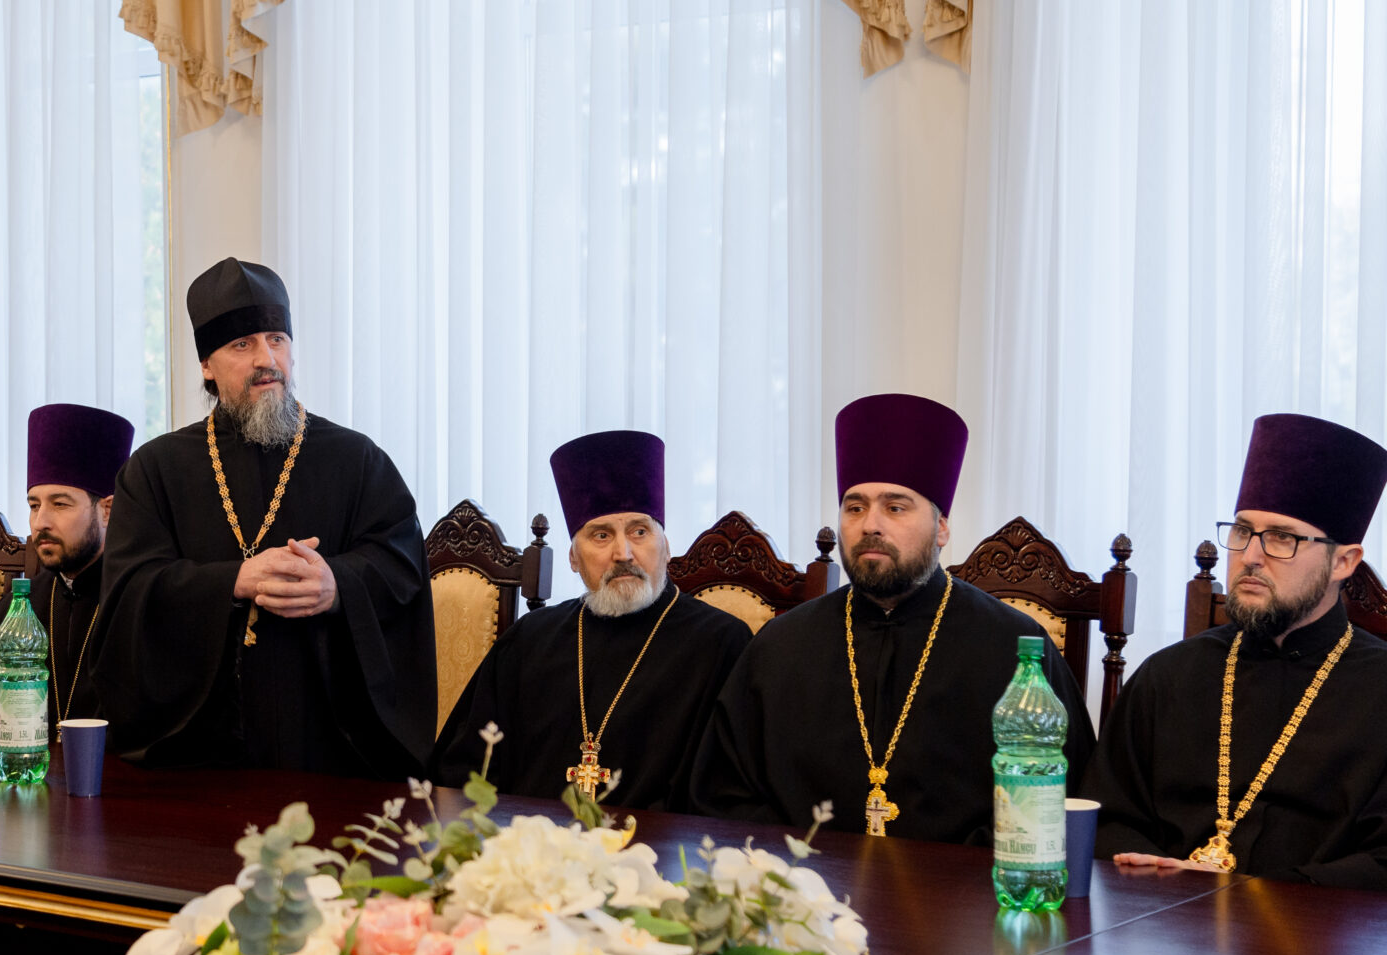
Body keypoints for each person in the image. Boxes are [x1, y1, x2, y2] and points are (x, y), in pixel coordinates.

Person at [688, 393, 1092, 842]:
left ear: (942, 528)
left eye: (895, 507)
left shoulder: (1014, 648)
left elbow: (1055, 805)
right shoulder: (779, 647)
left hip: (962, 885)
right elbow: (725, 797)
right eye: (855, 507)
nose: (870, 525)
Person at [94, 257, 436, 776]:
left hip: (329, 752)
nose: (266, 359)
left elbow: (402, 567)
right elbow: (128, 593)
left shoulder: (357, 459)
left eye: (277, 339)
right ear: (206, 365)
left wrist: (338, 585)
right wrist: (232, 582)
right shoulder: (154, 470)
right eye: (242, 344)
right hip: (197, 758)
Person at [1086, 413, 1387, 889]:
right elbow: (1106, 817)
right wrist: (1166, 877)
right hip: (1163, 923)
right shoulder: (1168, 676)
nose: (1250, 556)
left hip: (1312, 930)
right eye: (1243, 531)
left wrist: (1254, 895)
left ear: (1344, 562)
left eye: (1283, 538)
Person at [433, 430, 750, 808]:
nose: (623, 553)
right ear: (573, 557)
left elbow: (727, 797)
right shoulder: (529, 640)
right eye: (601, 535)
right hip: (529, 839)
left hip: (657, 843)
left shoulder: (722, 644)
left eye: (640, 531)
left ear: (666, 548)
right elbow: (463, 771)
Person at [0, 404, 134, 735]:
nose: (40, 523)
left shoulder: (138, 604)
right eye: (34, 505)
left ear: (108, 511)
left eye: (60, 504)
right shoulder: (13, 612)